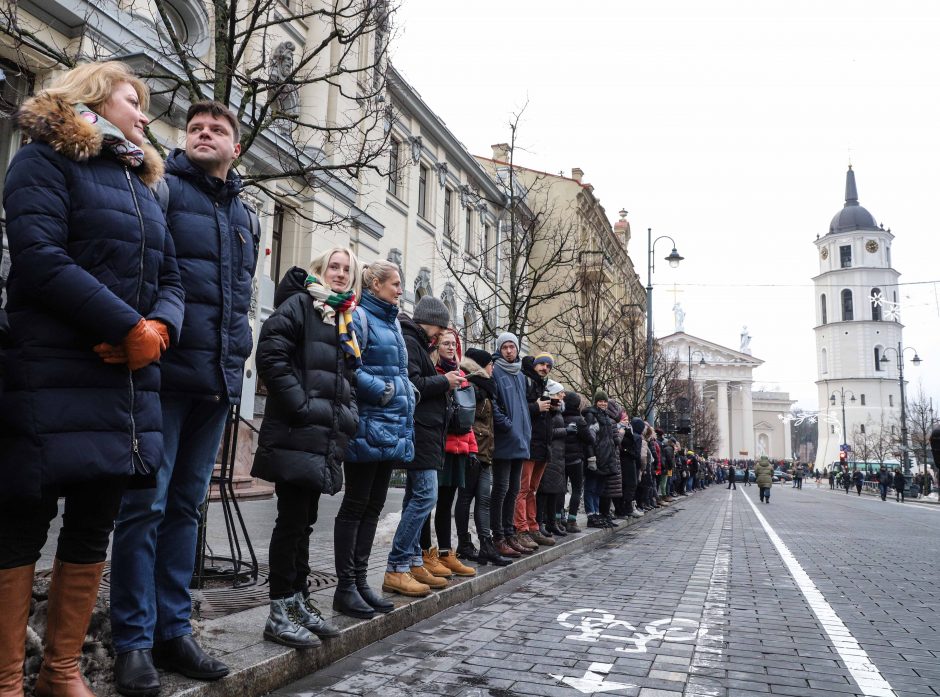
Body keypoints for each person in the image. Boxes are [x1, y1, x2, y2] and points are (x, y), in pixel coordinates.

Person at [0, 62, 184, 696]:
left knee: (94, 519)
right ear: (93, 97)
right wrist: (126, 325)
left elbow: (172, 278)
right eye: (133, 100)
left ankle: (62, 671)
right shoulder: (42, 160)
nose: (142, 113)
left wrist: (158, 329)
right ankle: (5, 680)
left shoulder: (141, 183)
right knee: (23, 517)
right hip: (49, 369)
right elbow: (39, 255)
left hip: (123, 385)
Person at [109, 99, 260, 692]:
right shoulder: (162, 188)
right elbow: (144, 269)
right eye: (196, 127)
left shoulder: (246, 216)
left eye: (217, 129)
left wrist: (238, 359)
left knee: (185, 510)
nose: (204, 134)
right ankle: (133, 642)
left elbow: (239, 298)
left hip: (218, 382)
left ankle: (175, 630)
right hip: (164, 377)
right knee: (143, 507)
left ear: (235, 147)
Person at [249, 250, 362, 647]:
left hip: (323, 437)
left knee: (305, 522)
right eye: (334, 266)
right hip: (298, 432)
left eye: (347, 270)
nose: (340, 273)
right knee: (291, 522)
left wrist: (347, 416)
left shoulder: (341, 318)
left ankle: (298, 600)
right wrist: (301, 405)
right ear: (319, 270)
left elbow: (345, 378)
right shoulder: (301, 304)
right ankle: (279, 609)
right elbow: (270, 354)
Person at [335, 260, 414, 616]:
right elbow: (351, 368)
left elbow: (399, 370)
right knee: (355, 505)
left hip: (391, 427)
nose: (400, 289)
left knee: (373, 507)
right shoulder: (361, 317)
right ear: (376, 284)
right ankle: (345, 586)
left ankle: (361, 582)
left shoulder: (393, 321)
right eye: (395, 283)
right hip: (367, 426)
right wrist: (383, 391)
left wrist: (402, 393)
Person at [384, 296, 461, 596]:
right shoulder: (410, 340)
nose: (441, 337)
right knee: (425, 498)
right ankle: (398, 564)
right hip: (421, 431)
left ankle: (413, 560)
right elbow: (413, 383)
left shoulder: (418, 343)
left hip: (428, 433)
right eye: (439, 330)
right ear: (428, 321)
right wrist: (446, 383)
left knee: (415, 498)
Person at [419, 328, 477, 577]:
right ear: (436, 346)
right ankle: (425, 553)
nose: (451, 347)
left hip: (458, 448)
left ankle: (445, 553)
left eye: (454, 343)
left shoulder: (462, 375)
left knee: (446, 504)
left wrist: (472, 448)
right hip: (438, 446)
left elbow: (468, 415)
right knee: (428, 502)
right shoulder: (435, 373)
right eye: (446, 343)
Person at [456, 347, 513, 566]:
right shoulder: (471, 385)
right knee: (465, 497)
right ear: (481, 365)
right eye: (490, 364)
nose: (493, 368)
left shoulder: (487, 388)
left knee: (484, 499)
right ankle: (464, 543)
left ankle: (486, 544)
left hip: (486, 452)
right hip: (471, 451)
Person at [490, 332, 531, 558]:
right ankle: (499, 537)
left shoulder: (520, 375)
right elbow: (494, 405)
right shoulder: (496, 371)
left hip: (521, 440)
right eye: (504, 347)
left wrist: (524, 432)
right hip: (506, 440)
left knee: (514, 490)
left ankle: (510, 532)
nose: (508, 351)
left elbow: (523, 406)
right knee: (501, 489)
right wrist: (507, 425)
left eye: (512, 347)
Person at [517, 352, 555, 547]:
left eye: (548, 366)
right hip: (529, 445)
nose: (545, 368)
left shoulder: (542, 385)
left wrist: (553, 408)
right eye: (542, 364)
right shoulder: (525, 381)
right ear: (535, 365)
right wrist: (536, 408)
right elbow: (519, 408)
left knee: (532, 490)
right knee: (523, 490)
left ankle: (533, 528)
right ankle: (521, 529)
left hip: (541, 446)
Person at [535, 380, 569, 541]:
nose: (563, 395)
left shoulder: (558, 411)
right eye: (560, 393)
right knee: (544, 491)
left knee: (554, 491)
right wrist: (565, 430)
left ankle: (551, 522)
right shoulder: (549, 410)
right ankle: (540, 522)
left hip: (558, 456)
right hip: (550, 455)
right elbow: (549, 431)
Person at [559, 391, 594, 532]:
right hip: (575, 460)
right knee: (576, 489)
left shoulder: (559, 417)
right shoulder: (579, 420)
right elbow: (590, 440)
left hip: (561, 459)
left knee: (560, 490)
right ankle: (572, 520)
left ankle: (559, 518)